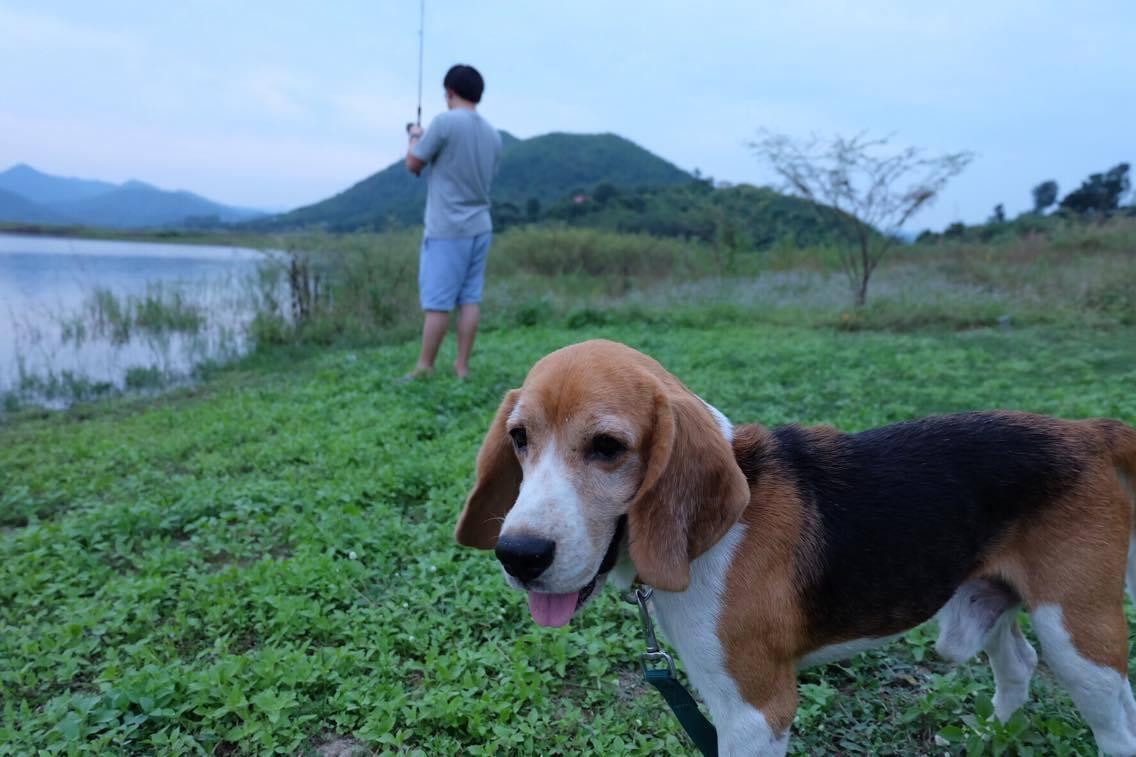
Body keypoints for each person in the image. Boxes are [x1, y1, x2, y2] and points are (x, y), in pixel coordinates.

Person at [403, 64, 502, 380]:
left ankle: (425, 367)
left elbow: (414, 163)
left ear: (449, 92)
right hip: (480, 225)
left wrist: (413, 138)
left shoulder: (444, 122)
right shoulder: (492, 134)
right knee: (470, 299)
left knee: (438, 302)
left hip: (447, 227)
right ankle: (461, 367)